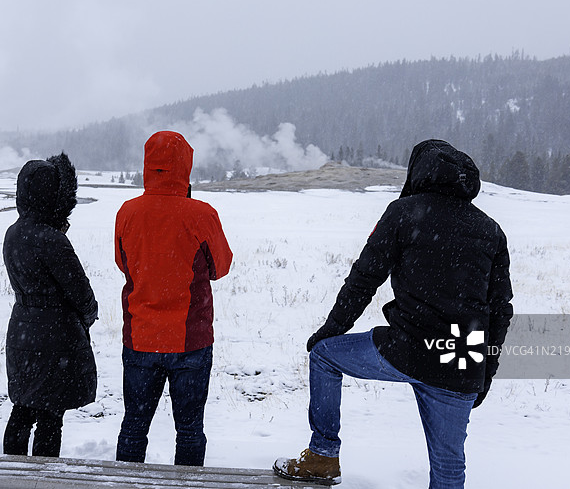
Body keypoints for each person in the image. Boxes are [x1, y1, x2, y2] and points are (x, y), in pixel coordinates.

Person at [273, 139, 513, 488]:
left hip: (406, 348)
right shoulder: (490, 229)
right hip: (461, 359)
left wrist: (332, 329)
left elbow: (364, 279)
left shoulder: (404, 213)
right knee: (449, 468)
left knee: (324, 356)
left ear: (420, 172)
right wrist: (485, 370)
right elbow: (500, 310)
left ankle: (323, 458)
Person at [114, 130, 233, 466]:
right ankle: (187, 484)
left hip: (141, 336)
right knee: (190, 430)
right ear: (185, 166)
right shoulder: (202, 214)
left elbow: (124, 264)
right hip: (190, 340)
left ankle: (124, 483)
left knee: (134, 427)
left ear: (147, 165)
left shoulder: (127, 212)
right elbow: (220, 267)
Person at [2, 153, 99, 457]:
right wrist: (90, 314)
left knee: (22, 408)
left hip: (22, 330)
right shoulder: (52, 239)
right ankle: (42, 477)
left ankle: (10, 473)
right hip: (54, 336)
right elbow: (80, 291)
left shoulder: (13, 233)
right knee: (50, 415)